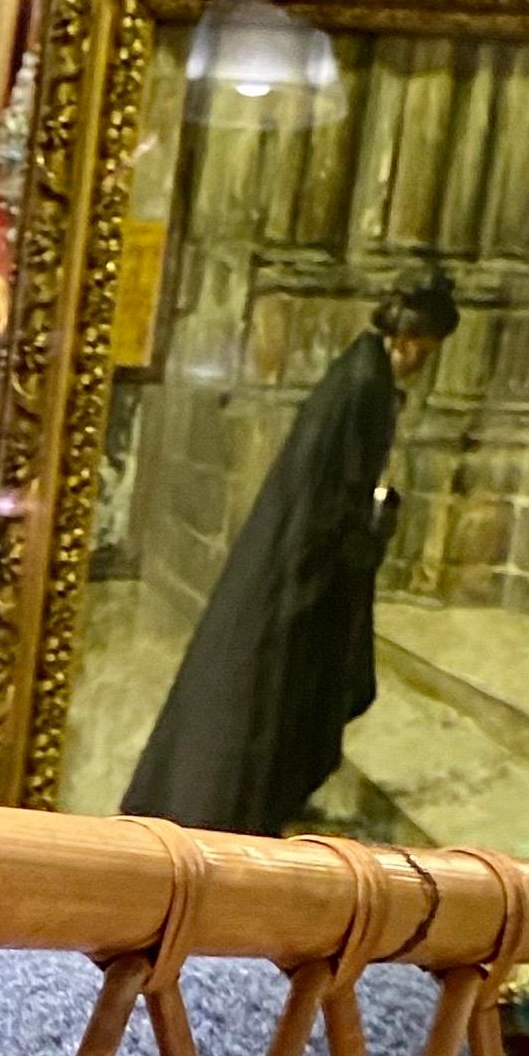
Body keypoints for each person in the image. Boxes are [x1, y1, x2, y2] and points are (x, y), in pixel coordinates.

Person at [121, 271, 458, 835]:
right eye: (429, 346)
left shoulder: (361, 372)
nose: (426, 360)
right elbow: (337, 494)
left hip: (296, 556)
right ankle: (226, 803)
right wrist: (372, 529)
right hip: (303, 567)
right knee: (263, 693)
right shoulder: (364, 385)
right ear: (414, 337)